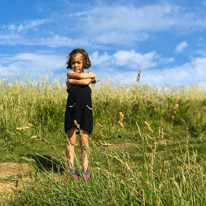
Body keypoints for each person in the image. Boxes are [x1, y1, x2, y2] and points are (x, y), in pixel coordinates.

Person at [64, 48, 97, 179]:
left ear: (85, 63)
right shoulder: (70, 74)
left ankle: (85, 170)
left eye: (79, 62)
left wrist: (73, 82)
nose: (76, 65)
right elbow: (83, 80)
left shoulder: (87, 77)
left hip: (85, 111)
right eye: (73, 62)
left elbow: (84, 81)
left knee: (84, 142)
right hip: (72, 110)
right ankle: (71, 169)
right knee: (71, 140)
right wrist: (92, 76)